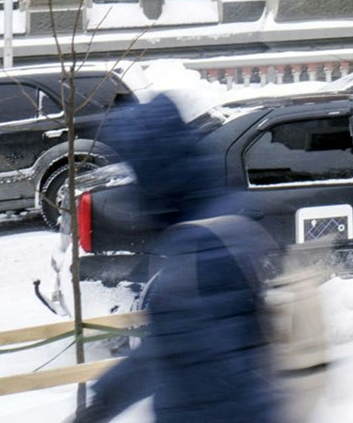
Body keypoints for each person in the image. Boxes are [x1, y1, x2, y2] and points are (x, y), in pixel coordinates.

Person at [75, 94, 277, 423]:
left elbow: (205, 367)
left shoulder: (202, 245)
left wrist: (100, 406)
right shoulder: (215, 220)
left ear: (155, 173)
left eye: (138, 172)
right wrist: (104, 400)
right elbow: (174, 346)